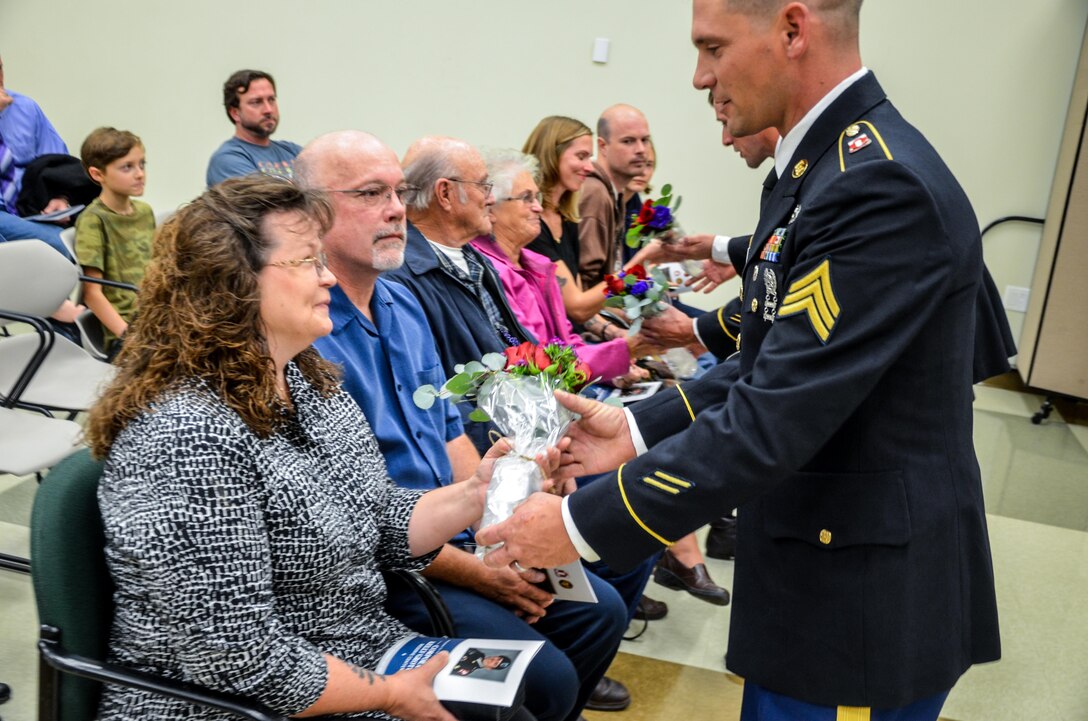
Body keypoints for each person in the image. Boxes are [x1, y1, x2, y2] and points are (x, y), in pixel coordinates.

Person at [477, 2, 1002, 719]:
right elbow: (769, 362)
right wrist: (634, 431)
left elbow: (774, 413)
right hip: (819, 562)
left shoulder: (875, 183)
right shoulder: (825, 168)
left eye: (712, 48)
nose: (700, 78)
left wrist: (574, 527)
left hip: (862, 594)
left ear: (792, 30)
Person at [84, 174, 549, 721]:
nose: (328, 276)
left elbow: (380, 519)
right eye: (307, 261)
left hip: (348, 649)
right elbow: (242, 659)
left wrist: (474, 493)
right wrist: (392, 694)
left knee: (534, 691)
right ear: (232, 280)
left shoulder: (308, 382)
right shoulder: (185, 437)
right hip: (232, 703)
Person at [296, 130, 629, 721]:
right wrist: (477, 569)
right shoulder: (307, 333)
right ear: (310, 213)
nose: (397, 209)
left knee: (601, 609)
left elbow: (451, 437)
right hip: (395, 564)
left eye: (398, 192)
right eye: (371, 194)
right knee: (543, 673)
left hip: (453, 531)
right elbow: (360, 520)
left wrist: (502, 527)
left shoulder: (400, 306)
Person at [385, 136, 535, 453]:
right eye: (483, 185)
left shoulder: (473, 258)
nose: (491, 198)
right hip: (491, 450)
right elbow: (437, 400)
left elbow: (512, 344)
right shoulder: (400, 279)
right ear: (446, 194)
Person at [471, 149, 652, 385]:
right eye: (526, 198)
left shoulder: (536, 264)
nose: (538, 207)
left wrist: (611, 370)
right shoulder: (490, 273)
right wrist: (625, 350)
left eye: (537, 197)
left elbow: (567, 343)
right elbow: (537, 361)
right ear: (490, 208)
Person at [75, 127, 154, 354]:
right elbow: (92, 294)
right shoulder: (93, 220)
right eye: (127, 167)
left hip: (156, 320)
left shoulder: (144, 211)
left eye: (142, 164)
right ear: (98, 174)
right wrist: (129, 337)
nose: (139, 174)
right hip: (128, 332)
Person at [0, 52, 73, 258]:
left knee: (90, 230)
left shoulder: (25, 108)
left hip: (31, 206)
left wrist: (59, 197)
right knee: (56, 244)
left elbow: (58, 162)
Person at [577, 104, 652, 289]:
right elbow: (588, 284)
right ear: (603, 146)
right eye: (628, 141)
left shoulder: (617, 193)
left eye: (645, 140)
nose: (641, 149)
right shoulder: (595, 192)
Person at [205, 69, 301, 186]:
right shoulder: (228, 159)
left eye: (271, 100)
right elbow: (265, 203)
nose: (268, 110)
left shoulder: (292, 151)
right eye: (256, 102)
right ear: (235, 113)